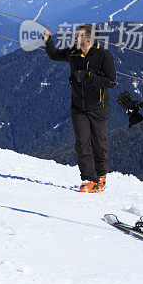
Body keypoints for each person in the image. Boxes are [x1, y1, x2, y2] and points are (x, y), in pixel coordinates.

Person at [43, 24, 116, 193]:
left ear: (88, 39)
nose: (75, 38)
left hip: (98, 107)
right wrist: (48, 40)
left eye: (78, 36)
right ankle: (88, 179)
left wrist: (90, 77)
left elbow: (111, 81)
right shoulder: (73, 53)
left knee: (99, 142)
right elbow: (54, 55)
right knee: (82, 142)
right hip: (78, 106)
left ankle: (101, 176)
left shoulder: (103, 55)